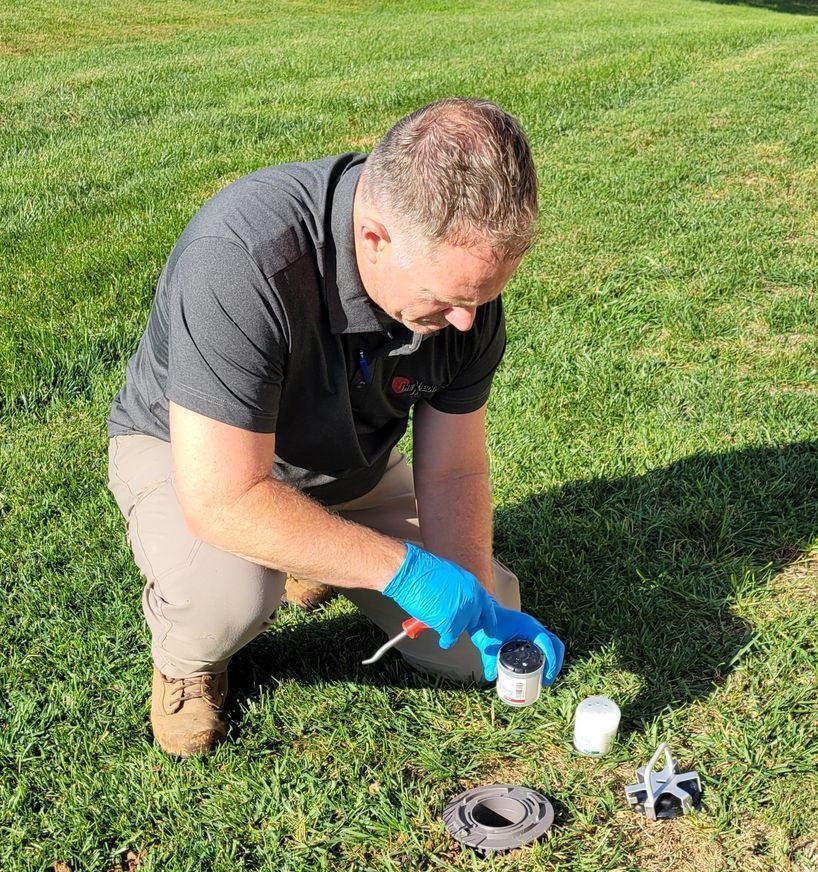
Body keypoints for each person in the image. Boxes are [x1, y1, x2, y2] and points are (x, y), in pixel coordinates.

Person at [107, 97, 565, 758]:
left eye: (483, 298)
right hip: (192, 456)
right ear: (375, 238)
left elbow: (455, 467)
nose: (468, 322)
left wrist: (470, 598)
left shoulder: (465, 300)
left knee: (466, 654)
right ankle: (188, 661)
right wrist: (405, 573)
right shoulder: (242, 260)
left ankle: (312, 550)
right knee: (230, 600)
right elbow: (223, 499)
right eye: (450, 299)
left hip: (347, 464)